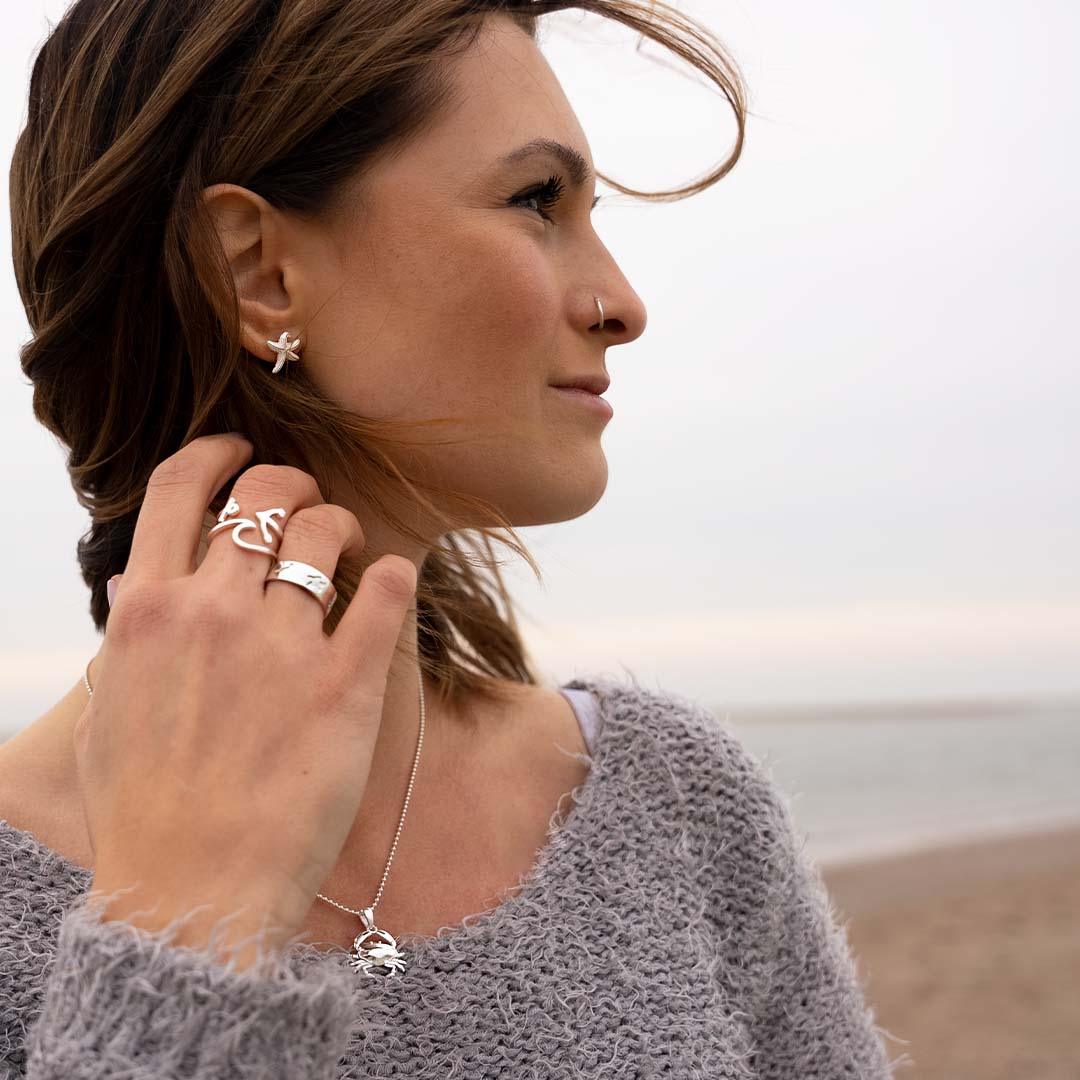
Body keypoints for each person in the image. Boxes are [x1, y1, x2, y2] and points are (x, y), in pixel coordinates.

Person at [0, 1, 902, 1076]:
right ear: (258, 272)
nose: (622, 302)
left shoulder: (669, 803)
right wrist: (179, 936)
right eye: (537, 201)